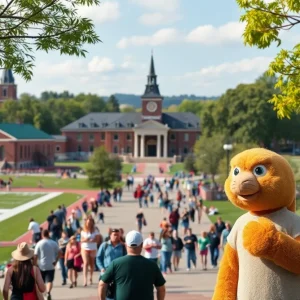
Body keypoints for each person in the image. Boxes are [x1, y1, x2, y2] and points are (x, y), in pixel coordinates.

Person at [98, 230, 166, 300]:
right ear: (141, 245)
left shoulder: (115, 263)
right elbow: (161, 289)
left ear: (126, 244)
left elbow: (102, 284)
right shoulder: (152, 265)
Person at [34, 229, 60, 300]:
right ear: (48, 234)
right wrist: (56, 261)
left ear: (42, 235)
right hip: (51, 264)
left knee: (41, 281)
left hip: (42, 265)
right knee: (49, 280)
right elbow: (60, 252)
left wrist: (35, 264)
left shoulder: (39, 243)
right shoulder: (53, 243)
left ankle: (43, 293)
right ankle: (48, 292)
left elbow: (35, 255)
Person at [80, 218, 98, 286]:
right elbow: (81, 240)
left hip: (92, 248)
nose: (89, 224)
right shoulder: (83, 231)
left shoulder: (95, 230)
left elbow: (97, 240)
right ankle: (85, 280)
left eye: (90, 223)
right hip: (85, 248)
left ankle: (91, 277)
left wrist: (93, 240)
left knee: (91, 264)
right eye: (87, 223)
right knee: (86, 263)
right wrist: (86, 239)